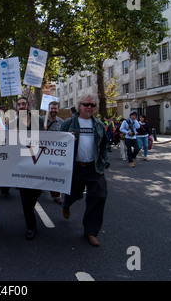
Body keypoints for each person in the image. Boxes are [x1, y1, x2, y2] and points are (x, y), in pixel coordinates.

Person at [60, 92, 110, 247]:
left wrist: (103, 161)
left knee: (99, 197)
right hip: (75, 168)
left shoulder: (99, 125)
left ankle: (90, 231)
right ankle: (67, 203)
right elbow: (58, 144)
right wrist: (68, 138)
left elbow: (104, 146)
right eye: (86, 104)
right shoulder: (68, 123)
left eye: (92, 105)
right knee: (73, 193)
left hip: (94, 168)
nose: (89, 107)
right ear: (79, 106)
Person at [10, 96, 44, 240]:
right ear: (17, 108)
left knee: (35, 194)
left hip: (37, 164)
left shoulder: (38, 120)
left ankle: (30, 212)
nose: (21, 106)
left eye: (24, 104)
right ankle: (31, 227)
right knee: (25, 199)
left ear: (28, 106)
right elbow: (10, 145)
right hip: (22, 165)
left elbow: (47, 139)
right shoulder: (14, 123)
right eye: (19, 105)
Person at [41, 101, 64, 204]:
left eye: (55, 108)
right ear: (48, 109)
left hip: (54, 154)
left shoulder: (62, 122)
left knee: (55, 174)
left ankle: (56, 195)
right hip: (40, 153)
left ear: (58, 110)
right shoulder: (40, 120)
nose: (53, 110)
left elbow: (65, 136)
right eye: (51, 108)